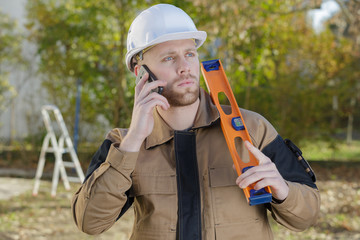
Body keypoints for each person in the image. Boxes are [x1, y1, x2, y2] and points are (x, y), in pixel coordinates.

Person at [72, 3, 320, 240]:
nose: (184, 67)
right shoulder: (123, 144)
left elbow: (306, 218)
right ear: (142, 73)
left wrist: (283, 191)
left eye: (189, 54)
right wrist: (133, 141)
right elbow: (90, 223)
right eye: (169, 58)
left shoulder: (250, 128)